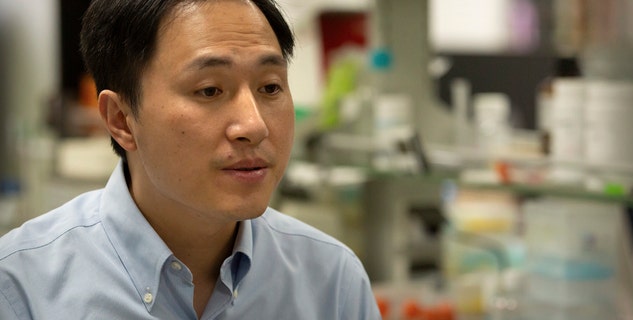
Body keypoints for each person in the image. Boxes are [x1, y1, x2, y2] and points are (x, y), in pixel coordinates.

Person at [0, 0, 382, 319]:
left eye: (270, 87)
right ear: (121, 120)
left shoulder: (332, 282)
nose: (254, 125)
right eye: (210, 90)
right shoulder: (22, 287)